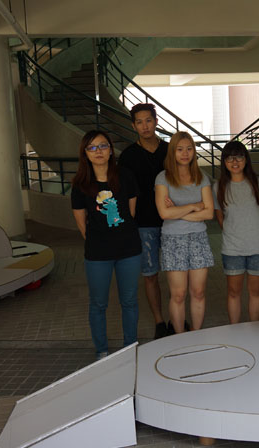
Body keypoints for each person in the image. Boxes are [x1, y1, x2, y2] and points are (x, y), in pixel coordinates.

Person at [71, 130, 141, 360]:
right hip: (98, 253)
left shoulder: (126, 176)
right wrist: (101, 239)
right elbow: (82, 224)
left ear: (111, 150)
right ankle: (101, 350)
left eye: (102, 146)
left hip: (129, 249)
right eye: (92, 147)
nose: (98, 151)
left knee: (129, 301)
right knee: (98, 303)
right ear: (85, 154)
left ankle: (130, 347)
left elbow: (130, 213)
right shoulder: (80, 184)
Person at [117, 103, 169, 339]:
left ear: (156, 121)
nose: (145, 126)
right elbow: (123, 192)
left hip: (173, 221)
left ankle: (178, 315)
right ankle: (159, 321)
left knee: (177, 272)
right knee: (150, 274)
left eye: (148, 120)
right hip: (144, 223)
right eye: (139, 122)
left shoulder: (170, 150)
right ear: (133, 126)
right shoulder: (128, 156)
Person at [155, 131, 214, 333]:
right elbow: (164, 213)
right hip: (173, 240)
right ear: (172, 152)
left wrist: (178, 212)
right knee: (178, 294)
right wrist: (194, 206)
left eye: (189, 149)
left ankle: (195, 335)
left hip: (198, 238)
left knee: (198, 292)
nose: (185, 153)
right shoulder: (163, 178)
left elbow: (209, 213)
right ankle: (180, 338)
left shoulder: (201, 177)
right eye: (180, 149)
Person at [213, 141, 259, 324]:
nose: (235, 162)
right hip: (232, 248)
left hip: (258, 246)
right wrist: (233, 231)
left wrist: (252, 230)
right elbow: (220, 216)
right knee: (233, 292)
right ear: (224, 161)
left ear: (246, 159)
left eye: (239, 157)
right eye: (230, 158)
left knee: (255, 292)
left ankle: (254, 329)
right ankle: (235, 330)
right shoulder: (218, 186)